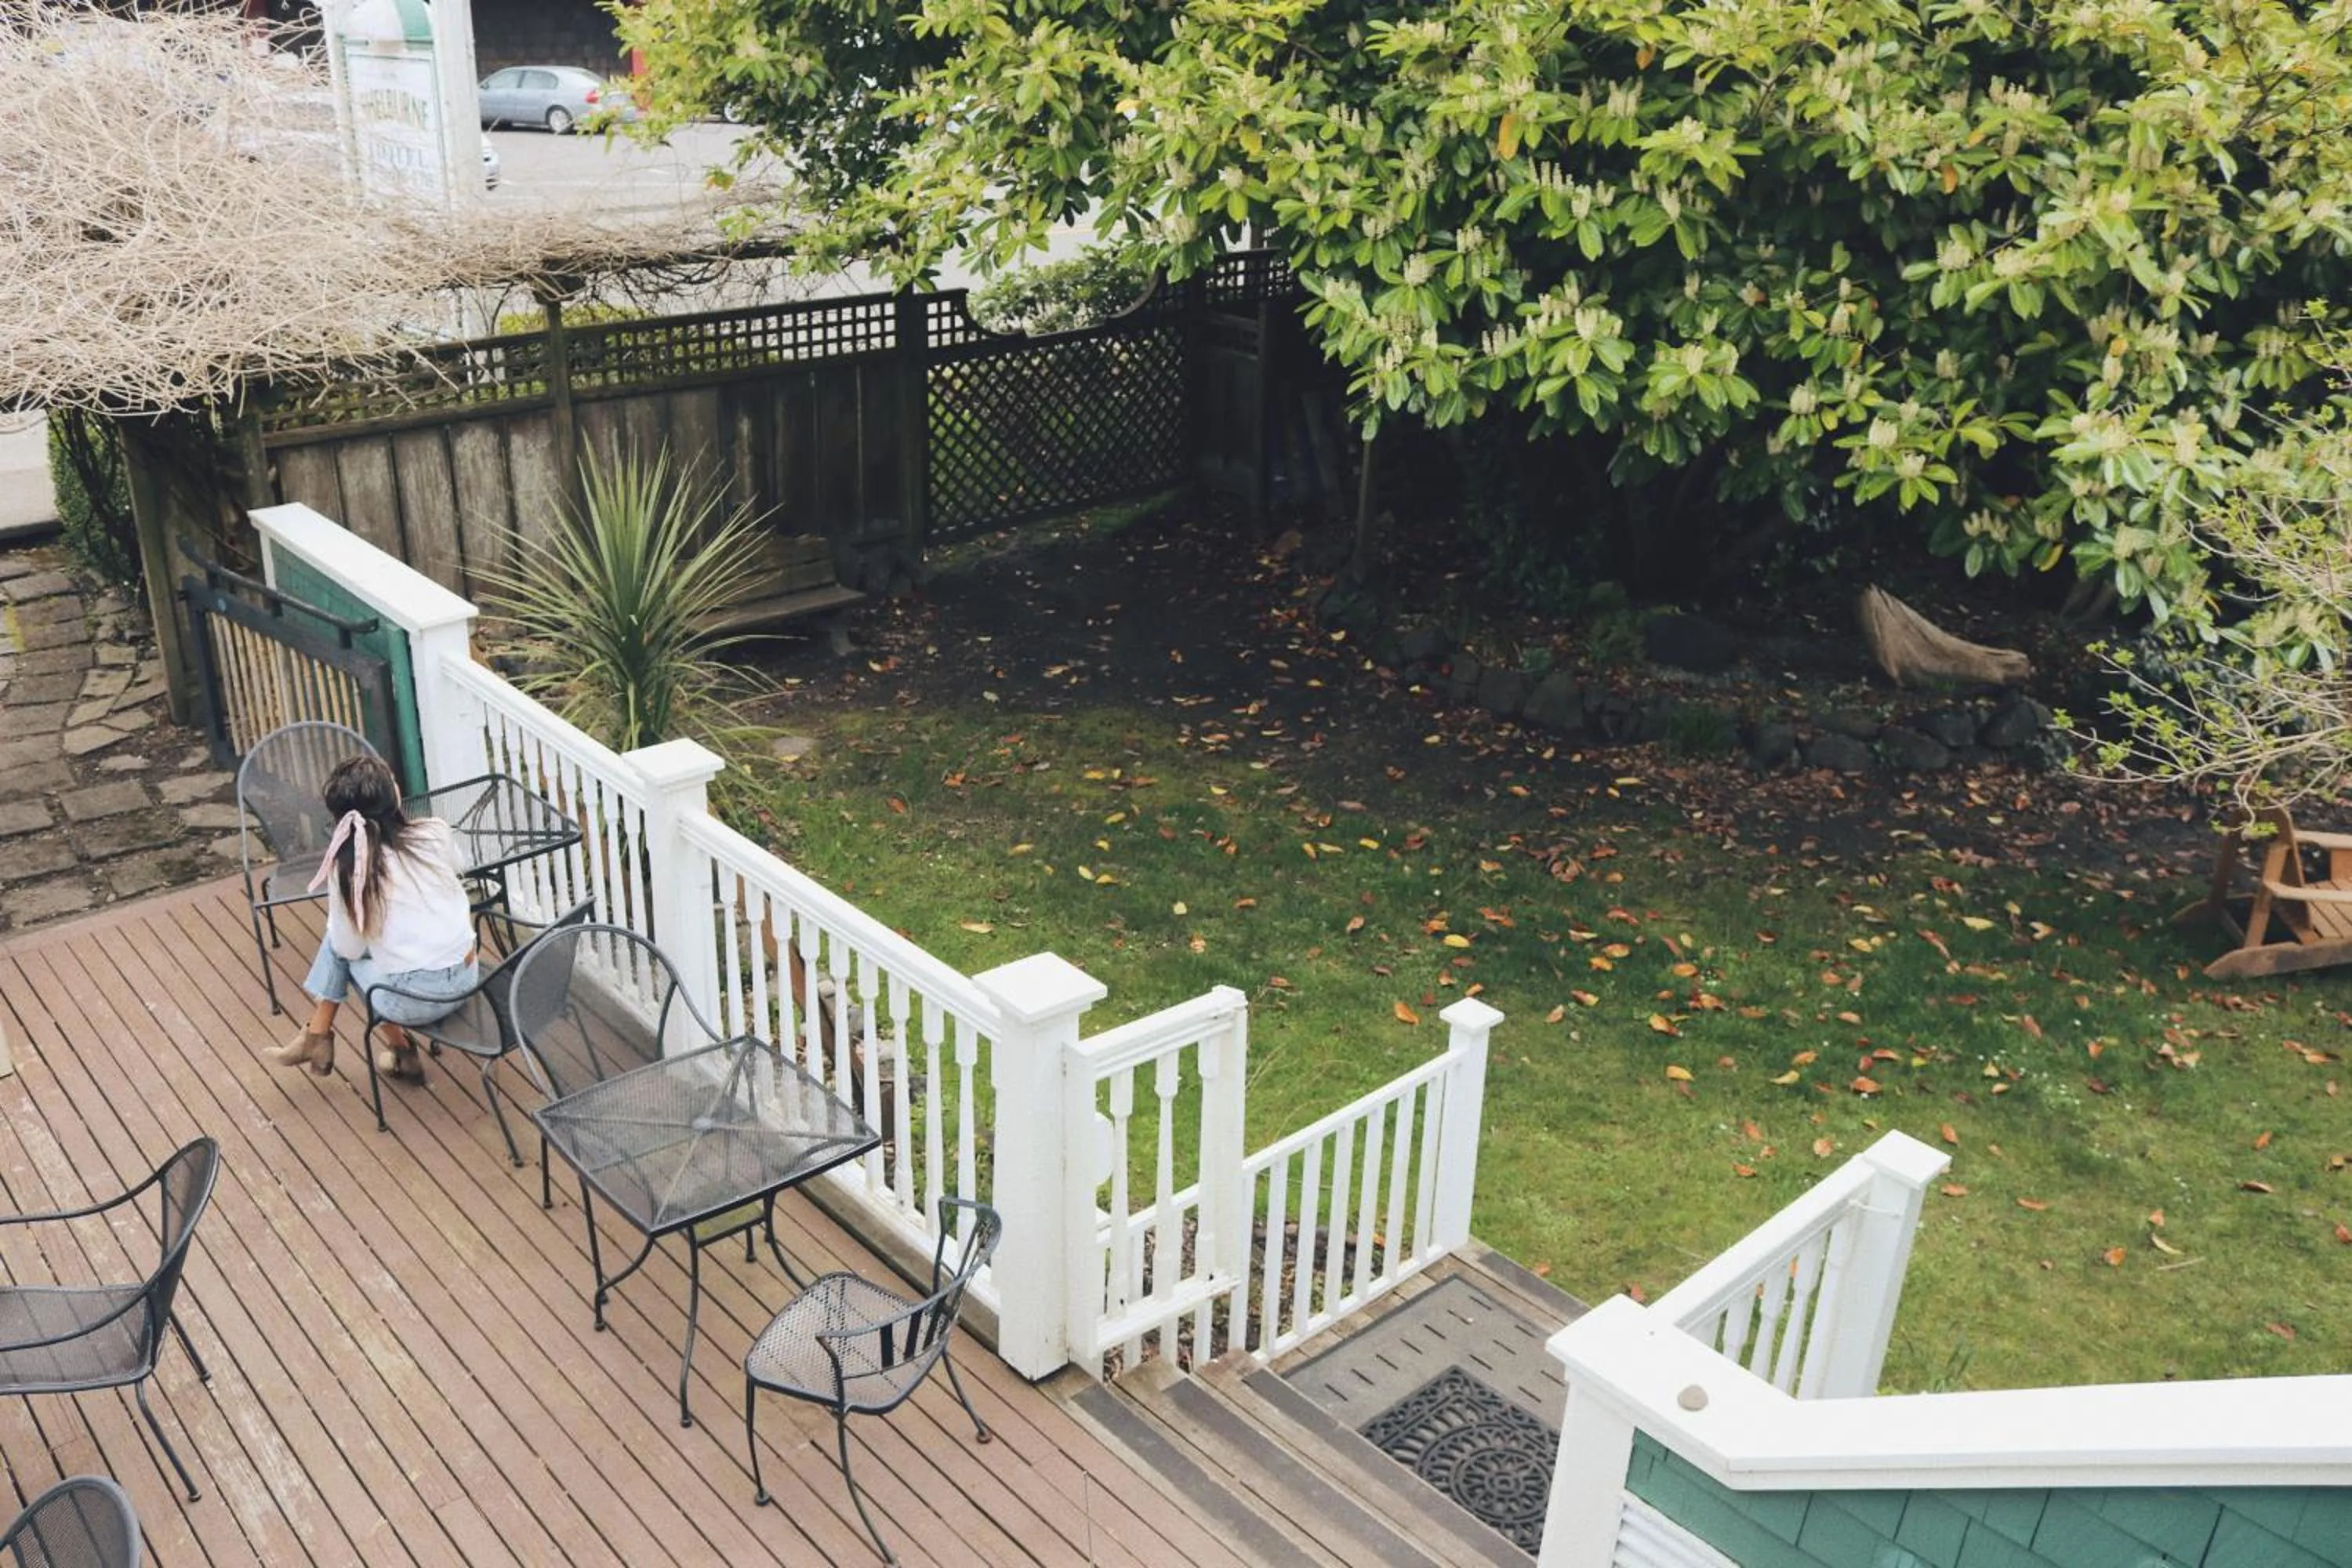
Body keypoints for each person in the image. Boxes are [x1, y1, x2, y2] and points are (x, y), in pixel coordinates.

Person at [269, 754, 476, 1083]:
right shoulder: (434, 832)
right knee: (351, 942)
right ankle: (323, 1037)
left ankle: (334, 1037)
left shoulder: (352, 874)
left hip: (418, 1002)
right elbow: (457, 866)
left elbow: (347, 950)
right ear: (391, 797)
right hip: (469, 977)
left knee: (342, 951)